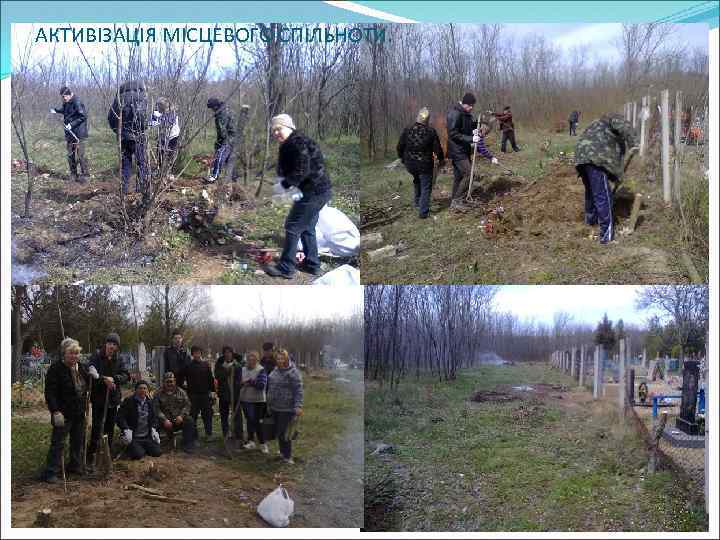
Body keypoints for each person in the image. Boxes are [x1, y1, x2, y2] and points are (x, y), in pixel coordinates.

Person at [263, 114, 333, 278]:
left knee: (293, 226)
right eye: (273, 131)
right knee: (307, 227)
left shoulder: (297, 142)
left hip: (314, 192)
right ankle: (312, 264)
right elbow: (289, 168)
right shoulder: (293, 142)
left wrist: (284, 185)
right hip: (318, 191)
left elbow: (302, 169)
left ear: (289, 127)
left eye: (279, 129)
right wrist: (283, 184)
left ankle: (286, 268)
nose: (276, 133)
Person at [575, 113, 637, 245]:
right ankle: (606, 236)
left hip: (581, 155)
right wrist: (633, 144)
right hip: (596, 157)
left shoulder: (598, 125)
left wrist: (616, 176)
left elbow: (613, 165)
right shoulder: (614, 119)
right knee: (604, 195)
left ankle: (591, 223)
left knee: (591, 192)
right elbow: (625, 126)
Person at [41, 338, 92, 482]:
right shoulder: (56, 369)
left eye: (76, 353)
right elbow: (50, 392)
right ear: (64, 353)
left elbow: (88, 384)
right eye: (71, 353)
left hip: (79, 411)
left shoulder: (81, 367)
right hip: (63, 413)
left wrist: (95, 377)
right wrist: (55, 411)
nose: (74, 356)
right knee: (58, 443)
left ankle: (75, 466)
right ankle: (51, 472)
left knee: (78, 440)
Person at [446, 93, 499, 212]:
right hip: (457, 151)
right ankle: (457, 201)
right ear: (464, 103)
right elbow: (453, 134)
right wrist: (471, 138)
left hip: (463, 150)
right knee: (470, 174)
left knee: (459, 177)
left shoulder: (465, 114)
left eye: (472, 106)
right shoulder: (455, 113)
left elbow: (469, 125)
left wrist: (477, 126)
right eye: (470, 106)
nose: (471, 108)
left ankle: (455, 200)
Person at [87, 333, 129, 469]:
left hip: (112, 399)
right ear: (106, 344)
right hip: (99, 398)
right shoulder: (97, 357)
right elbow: (91, 373)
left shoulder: (119, 359)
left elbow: (126, 375)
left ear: (117, 347)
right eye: (110, 343)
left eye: (115, 344)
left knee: (109, 428)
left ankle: (107, 454)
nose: (112, 346)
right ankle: (92, 455)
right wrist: (104, 379)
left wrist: (115, 379)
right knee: (97, 427)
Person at [396, 107, 445, 219]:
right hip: (424, 165)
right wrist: (441, 159)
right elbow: (437, 149)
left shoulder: (407, 129)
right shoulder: (431, 132)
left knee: (417, 180)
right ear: (427, 120)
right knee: (426, 187)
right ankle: (423, 212)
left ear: (417, 117)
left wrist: (401, 158)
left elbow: (399, 146)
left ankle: (417, 203)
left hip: (410, 164)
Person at [108, 80, 149, 195]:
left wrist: (118, 132)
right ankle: (141, 188)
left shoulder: (118, 99)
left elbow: (110, 118)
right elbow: (140, 117)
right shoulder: (140, 97)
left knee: (126, 163)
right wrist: (144, 127)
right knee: (142, 162)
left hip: (123, 137)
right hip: (137, 136)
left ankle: (124, 188)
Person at [267, 349, 303, 465]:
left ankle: (288, 457)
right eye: (277, 358)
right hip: (275, 407)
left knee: (284, 433)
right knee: (278, 432)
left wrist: (298, 406)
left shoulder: (293, 372)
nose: (279, 360)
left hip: (287, 408)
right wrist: (269, 403)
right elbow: (271, 387)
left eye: (282, 358)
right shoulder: (275, 370)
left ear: (286, 358)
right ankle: (282, 453)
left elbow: (298, 391)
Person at [50, 86, 89, 183]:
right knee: (70, 154)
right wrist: (56, 110)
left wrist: (72, 125)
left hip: (78, 134)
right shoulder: (66, 103)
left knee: (80, 155)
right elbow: (65, 111)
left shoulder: (77, 101)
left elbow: (83, 116)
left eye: (64, 97)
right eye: (62, 97)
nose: (63, 99)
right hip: (69, 134)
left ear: (69, 94)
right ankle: (73, 174)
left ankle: (85, 175)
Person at [116, 380, 162, 460]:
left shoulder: (150, 403)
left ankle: (141, 448)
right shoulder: (129, 401)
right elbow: (120, 417)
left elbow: (155, 418)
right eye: (140, 388)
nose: (142, 391)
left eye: (145, 388)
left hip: (146, 436)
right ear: (136, 390)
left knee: (157, 452)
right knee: (138, 455)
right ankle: (132, 447)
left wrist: (154, 429)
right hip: (134, 436)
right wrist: (126, 429)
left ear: (147, 390)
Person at [153, 371, 195, 452]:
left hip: (177, 421)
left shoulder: (181, 392)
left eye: (171, 381)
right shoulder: (158, 393)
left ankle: (187, 444)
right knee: (154, 423)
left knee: (189, 420)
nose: (169, 384)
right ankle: (158, 443)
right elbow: (156, 409)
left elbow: (187, 405)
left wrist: (181, 416)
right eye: (167, 382)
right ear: (163, 382)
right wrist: (164, 420)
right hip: (164, 422)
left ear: (174, 381)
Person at [239, 350, 269, 454]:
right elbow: (238, 382)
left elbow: (261, 385)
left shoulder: (261, 370)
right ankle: (251, 441)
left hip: (258, 400)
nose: (251, 361)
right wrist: (241, 383)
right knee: (249, 420)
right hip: (246, 399)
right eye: (249, 359)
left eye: (253, 359)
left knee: (258, 422)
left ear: (257, 360)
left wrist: (249, 381)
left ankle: (263, 443)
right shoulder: (242, 369)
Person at [184, 345, 215, 440]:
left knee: (207, 415)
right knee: (193, 415)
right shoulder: (188, 366)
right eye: (195, 352)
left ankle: (208, 434)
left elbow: (211, 379)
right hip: (193, 395)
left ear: (201, 353)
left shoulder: (206, 365)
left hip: (205, 394)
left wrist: (213, 392)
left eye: (198, 352)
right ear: (192, 354)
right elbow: (184, 379)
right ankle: (194, 434)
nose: (197, 354)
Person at [214, 345, 245, 440]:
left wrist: (233, 368)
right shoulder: (220, 364)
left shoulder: (238, 364)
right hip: (224, 394)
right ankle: (226, 434)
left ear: (232, 353)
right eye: (225, 353)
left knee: (237, 415)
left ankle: (239, 435)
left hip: (235, 394)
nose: (227, 354)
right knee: (224, 415)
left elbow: (240, 376)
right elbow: (217, 375)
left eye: (229, 352)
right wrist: (227, 371)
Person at [206, 97, 235, 183]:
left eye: (211, 108)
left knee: (219, 156)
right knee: (229, 159)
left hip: (228, 138)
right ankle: (233, 178)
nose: (211, 110)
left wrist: (219, 142)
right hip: (234, 137)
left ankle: (214, 176)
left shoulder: (220, 115)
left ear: (215, 107)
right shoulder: (226, 109)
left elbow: (222, 132)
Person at [149, 97, 180, 175]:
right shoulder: (158, 112)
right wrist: (153, 118)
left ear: (163, 106)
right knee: (159, 153)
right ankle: (158, 170)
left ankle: (170, 172)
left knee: (171, 155)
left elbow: (169, 122)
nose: (157, 107)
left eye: (159, 106)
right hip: (162, 136)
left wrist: (159, 118)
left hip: (173, 136)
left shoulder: (173, 112)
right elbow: (151, 122)